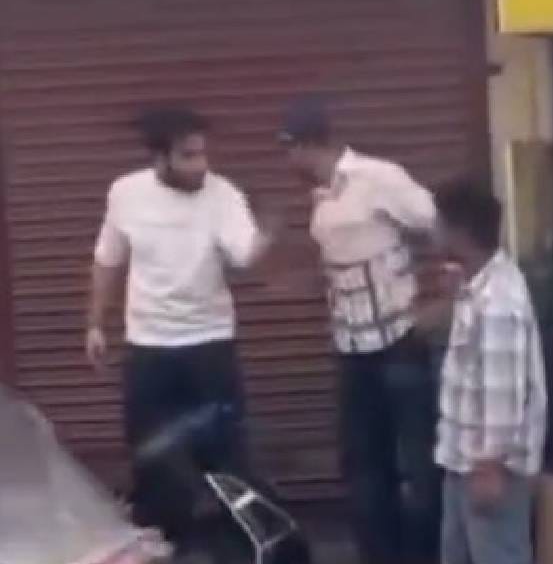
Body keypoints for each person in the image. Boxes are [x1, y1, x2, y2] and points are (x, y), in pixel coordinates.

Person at [86, 106, 277, 551]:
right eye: (189, 156)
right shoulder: (126, 194)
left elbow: (245, 254)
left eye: (203, 154)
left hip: (209, 348)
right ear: (160, 158)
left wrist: (267, 235)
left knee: (225, 459)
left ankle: (236, 551)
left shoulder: (223, 195)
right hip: (149, 349)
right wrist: (96, 323)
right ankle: (167, 547)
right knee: (152, 460)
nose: (201, 165)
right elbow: (107, 260)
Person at [278, 96, 442, 564]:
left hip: (399, 341)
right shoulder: (322, 197)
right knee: (364, 465)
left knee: (417, 461)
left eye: (288, 149)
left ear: (307, 145)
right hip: (352, 349)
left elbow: (437, 223)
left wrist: (441, 297)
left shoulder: (378, 178)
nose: (286, 160)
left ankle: (427, 555)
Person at [432, 181, 546, 564]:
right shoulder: (479, 286)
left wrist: (490, 465)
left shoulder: (499, 302)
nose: (434, 232)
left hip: (486, 466)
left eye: (440, 224)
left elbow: (502, 390)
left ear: (460, 233)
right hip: (462, 460)